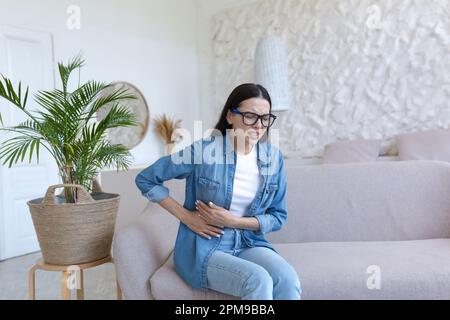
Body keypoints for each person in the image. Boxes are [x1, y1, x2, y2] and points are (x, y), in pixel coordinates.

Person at [135, 83, 301, 300]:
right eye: (250, 116)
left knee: (288, 279)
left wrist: (234, 222)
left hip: (248, 242)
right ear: (231, 116)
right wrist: (186, 218)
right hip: (204, 247)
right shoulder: (204, 151)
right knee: (258, 280)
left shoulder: (273, 158)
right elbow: (146, 179)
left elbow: (278, 216)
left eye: (265, 118)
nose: (259, 125)